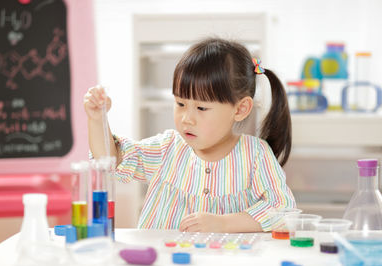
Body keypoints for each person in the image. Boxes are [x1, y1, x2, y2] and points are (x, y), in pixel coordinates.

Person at [84, 37, 296, 233]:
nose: (187, 118)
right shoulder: (167, 148)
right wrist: (97, 119)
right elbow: (109, 161)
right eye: (180, 104)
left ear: (240, 109)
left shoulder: (256, 155)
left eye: (202, 108)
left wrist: (223, 223)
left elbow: (283, 211)